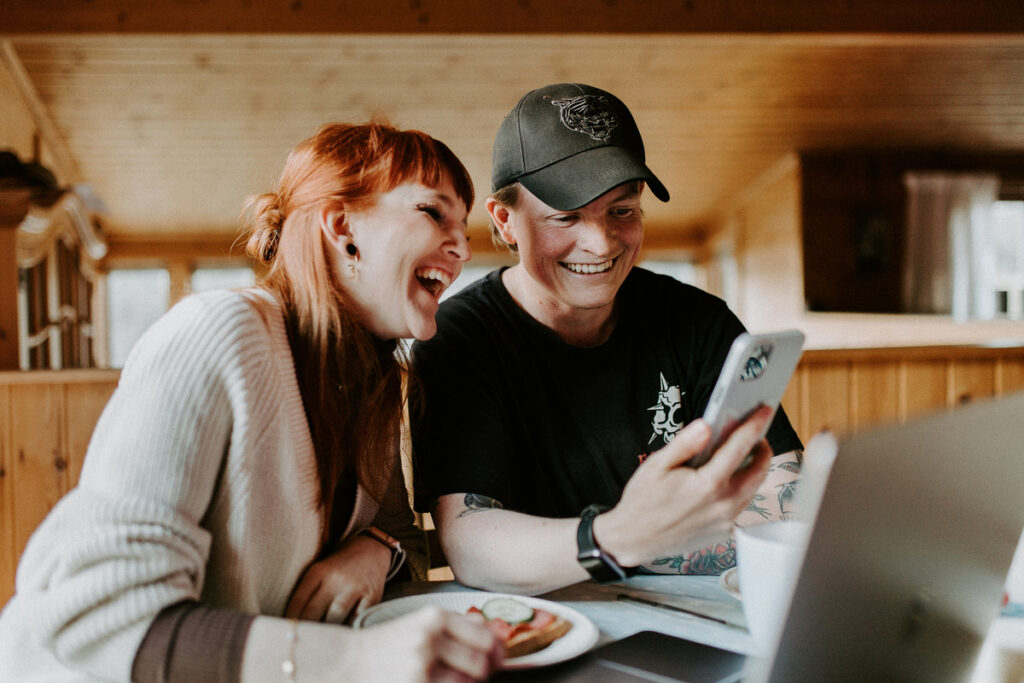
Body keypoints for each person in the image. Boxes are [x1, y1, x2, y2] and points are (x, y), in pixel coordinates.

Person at [0, 121, 502, 682]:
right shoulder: (217, 331)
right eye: (433, 213)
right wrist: (354, 660)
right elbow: (100, 612)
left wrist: (373, 550)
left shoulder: (372, 379)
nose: (463, 248)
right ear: (342, 226)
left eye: (463, 226)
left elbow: (402, 535)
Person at [411, 83, 804, 595]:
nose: (600, 244)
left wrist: (632, 542)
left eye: (622, 210)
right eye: (565, 217)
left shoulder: (699, 320)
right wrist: (621, 537)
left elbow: (785, 504)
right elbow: (472, 546)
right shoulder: (460, 338)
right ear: (505, 222)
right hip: (546, 625)